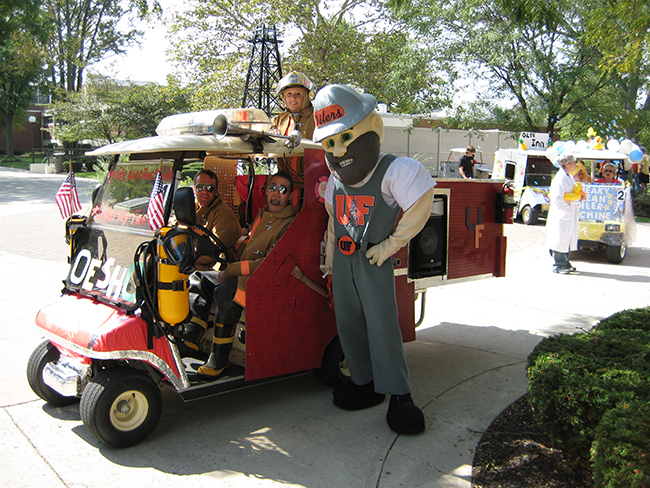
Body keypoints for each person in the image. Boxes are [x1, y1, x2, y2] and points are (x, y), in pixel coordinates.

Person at [313, 84, 435, 435]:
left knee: (382, 326)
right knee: (349, 323)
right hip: (345, 263)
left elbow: (421, 203)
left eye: (346, 137)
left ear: (373, 128)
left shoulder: (394, 171)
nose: (339, 150)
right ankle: (364, 382)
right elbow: (335, 225)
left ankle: (399, 394)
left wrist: (392, 244)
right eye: (330, 143)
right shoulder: (335, 183)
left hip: (374, 260)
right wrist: (330, 259)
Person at [197, 171, 297, 377]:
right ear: (266, 191)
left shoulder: (289, 224)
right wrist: (227, 258)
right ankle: (192, 337)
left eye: (282, 189)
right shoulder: (262, 215)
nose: (276, 193)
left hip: (263, 281)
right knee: (198, 278)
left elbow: (270, 262)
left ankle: (219, 358)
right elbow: (247, 246)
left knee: (227, 291)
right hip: (241, 273)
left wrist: (231, 270)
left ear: (290, 196)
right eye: (272, 187)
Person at [181, 170, 242, 353]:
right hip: (194, 263)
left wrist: (186, 259)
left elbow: (214, 251)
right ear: (194, 189)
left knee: (189, 277)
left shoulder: (224, 215)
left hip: (214, 269)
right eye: (200, 187)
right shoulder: (192, 209)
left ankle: (191, 339)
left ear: (216, 191)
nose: (205, 192)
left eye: (210, 188)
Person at [270, 71, 316, 208]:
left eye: (298, 94)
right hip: (284, 187)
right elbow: (264, 130)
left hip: (312, 185)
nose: (293, 99)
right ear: (283, 97)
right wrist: (270, 131)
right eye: (289, 94)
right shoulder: (279, 120)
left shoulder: (317, 116)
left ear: (307, 96)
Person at [546, 154, 586, 274]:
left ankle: (565, 261)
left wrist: (580, 196)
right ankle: (558, 264)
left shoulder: (569, 177)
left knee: (567, 237)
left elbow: (573, 192)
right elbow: (557, 198)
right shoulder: (559, 179)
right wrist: (566, 210)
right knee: (560, 237)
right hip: (562, 212)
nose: (575, 165)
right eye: (574, 163)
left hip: (569, 211)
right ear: (567, 164)